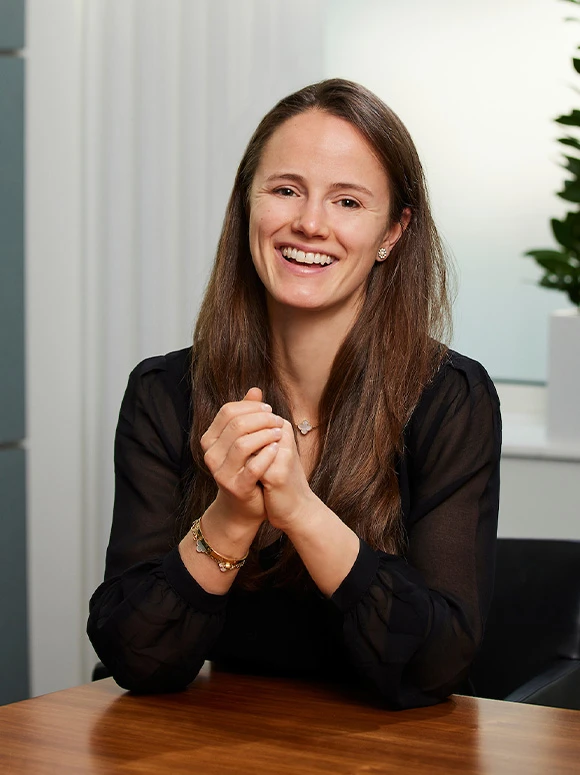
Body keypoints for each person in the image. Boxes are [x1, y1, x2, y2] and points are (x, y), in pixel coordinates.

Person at [87, 78, 501, 710]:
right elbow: (135, 658)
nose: (309, 224)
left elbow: (438, 663)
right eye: (285, 191)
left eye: (348, 202)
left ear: (392, 232)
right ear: (248, 206)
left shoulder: (450, 399)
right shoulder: (163, 393)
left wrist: (299, 510)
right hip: (215, 748)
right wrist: (231, 516)